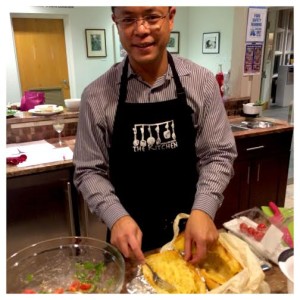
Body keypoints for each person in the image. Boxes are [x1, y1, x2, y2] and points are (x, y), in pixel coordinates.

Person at [73, 6, 237, 265]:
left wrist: (204, 208)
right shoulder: (95, 96)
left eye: (151, 16)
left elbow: (218, 153)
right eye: (128, 19)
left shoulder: (201, 83)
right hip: (129, 244)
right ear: (115, 22)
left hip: (190, 238)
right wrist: (115, 216)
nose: (140, 30)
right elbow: (88, 170)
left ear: (170, 18)